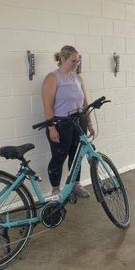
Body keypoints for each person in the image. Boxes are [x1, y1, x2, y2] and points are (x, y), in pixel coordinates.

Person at [41, 45, 95, 197]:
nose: (76, 63)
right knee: (59, 156)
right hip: (60, 123)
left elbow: (84, 103)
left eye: (78, 61)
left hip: (78, 122)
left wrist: (89, 123)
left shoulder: (78, 78)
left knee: (76, 155)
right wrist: (51, 127)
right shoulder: (53, 78)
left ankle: (75, 185)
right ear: (63, 59)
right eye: (73, 61)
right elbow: (47, 105)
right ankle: (56, 190)